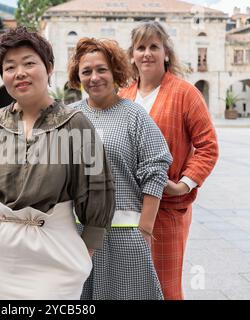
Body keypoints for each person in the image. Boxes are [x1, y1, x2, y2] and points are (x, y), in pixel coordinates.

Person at [0, 27, 115, 300]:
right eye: (10, 66)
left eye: (29, 63)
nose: (19, 73)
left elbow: (97, 189)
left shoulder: (75, 124)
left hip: (56, 255)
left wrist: (85, 254)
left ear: (49, 67)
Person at [119, 21, 219, 300]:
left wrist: (185, 184)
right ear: (132, 55)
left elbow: (208, 146)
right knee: (130, 285)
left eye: (154, 46)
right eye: (141, 47)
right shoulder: (123, 96)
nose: (147, 53)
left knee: (165, 287)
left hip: (166, 209)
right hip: (127, 208)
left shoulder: (185, 93)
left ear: (166, 53)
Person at [68, 37, 172, 300]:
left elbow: (156, 170)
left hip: (124, 235)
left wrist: (145, 230)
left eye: (101, 69)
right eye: (86, 71)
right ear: (78, 77)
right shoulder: (68, 117)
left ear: (115, 70)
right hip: (76, 236)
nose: (94, 77)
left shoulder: (134, 116)